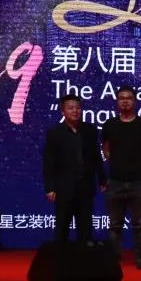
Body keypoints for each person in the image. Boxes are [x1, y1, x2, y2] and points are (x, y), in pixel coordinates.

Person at [43, 94, 106, 244]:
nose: (75, 111)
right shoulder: (55, 132)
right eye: (70, 108)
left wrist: (102, 179)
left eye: (78, 108)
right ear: (63, 111)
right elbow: (49, 162)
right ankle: (60, 256)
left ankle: (84, 256)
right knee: (62, 227)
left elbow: (96, 156)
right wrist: (50, 187)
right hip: (64, 187)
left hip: (85, 186)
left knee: (85, 227)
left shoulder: (90, 130)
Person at [101, 86, 141, 268]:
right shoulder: (110, 124)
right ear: (117, 101)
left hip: (139, 181)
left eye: (129, 98)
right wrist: (116, 161)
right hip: (115, 181)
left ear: (135, 101)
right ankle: (114, 261)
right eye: (121, 98)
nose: (125, 101)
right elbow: (106, 148)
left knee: (139, 225)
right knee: (115, 226)